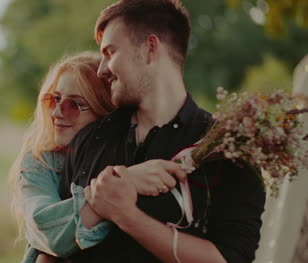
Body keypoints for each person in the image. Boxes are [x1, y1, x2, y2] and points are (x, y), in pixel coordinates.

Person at [58, 1, 266, 262]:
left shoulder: (229, 147)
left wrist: (126, 216)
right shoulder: (90, 138)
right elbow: (52, 245)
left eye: (110, 53)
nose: (101, 70)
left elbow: (230, 258)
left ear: (150, 48)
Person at [10, 51, 178, 263]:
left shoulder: (137, 150)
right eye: (55, 99)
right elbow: (47, 232)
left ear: (105, 112)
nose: (57, 113)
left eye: (74, 105)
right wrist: (124, 183)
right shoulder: (40, 161)